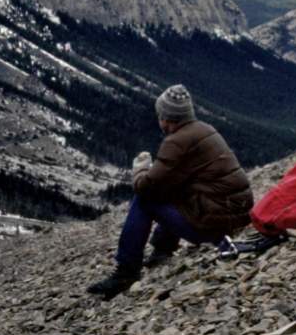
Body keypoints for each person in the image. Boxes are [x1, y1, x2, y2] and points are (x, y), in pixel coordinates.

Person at [88, 84, 254, 300]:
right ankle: (162, 251)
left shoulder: (177, 141)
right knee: (171, 190)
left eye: (160, 116)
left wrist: (140, 168)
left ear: (167, 118)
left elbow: (146, 186)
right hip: (234, 214)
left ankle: (126, 271)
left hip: (216, 223)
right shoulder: (205, 129)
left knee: (144, 201)